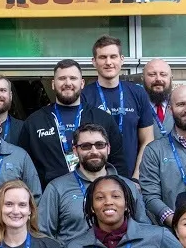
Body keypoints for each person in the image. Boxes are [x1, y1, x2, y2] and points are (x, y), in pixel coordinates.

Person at [21, 59, 120, 188]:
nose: (68, 83)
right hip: (49, 195)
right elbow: (25, 165)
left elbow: (118, 160)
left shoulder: (103, 118)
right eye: (62, 78)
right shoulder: (34, 122)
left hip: (97, 192)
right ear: (53, 84)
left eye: (73, 78)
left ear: (82, 83)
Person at [40, 123, 145, 244]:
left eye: (100, 145)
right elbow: (43, 236)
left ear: (108, 148)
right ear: (75, 150)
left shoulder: (128, 186)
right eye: (86, 146)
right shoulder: (57, 188)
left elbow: (143, 227)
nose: (94, 151)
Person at [80, 35, 157, 177]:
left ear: (121, 59)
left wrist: (137, 177)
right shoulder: (84, 96)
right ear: (94, 62)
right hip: (95, 178)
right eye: (103, 57)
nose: (108, 62)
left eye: (113, 56)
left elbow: (147, 139)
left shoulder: (138, 93)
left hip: (132, 178)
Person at [138, 85, 186, 225]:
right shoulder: (154, 150)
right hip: (170, 234)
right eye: (181, 104)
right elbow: (150, 196)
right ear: (170, 109)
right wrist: (176, 221)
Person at [142, 59, 174, 134]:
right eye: (152, 74)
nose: (158, 79)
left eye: (163, 74)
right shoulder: (135, 106)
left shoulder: (181, 105)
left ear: (171, 79)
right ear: (142, 78)